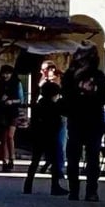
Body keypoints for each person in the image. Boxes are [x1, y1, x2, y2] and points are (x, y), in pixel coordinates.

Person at [63, 45, 105, 201]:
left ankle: (90, 191)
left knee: (92, 158)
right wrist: (82, 93)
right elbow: (66, 97)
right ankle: (75, 190)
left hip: (93, 120)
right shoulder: (70, 76)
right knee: (75, 157)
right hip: (77, 119)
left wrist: (90, 94)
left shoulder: (98, 76)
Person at [24, 61, 68, 195]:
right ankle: (55, 187)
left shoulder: (38, 106)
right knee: (54, 162)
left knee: (35, 161)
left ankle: (28, 185)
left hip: (38, 136)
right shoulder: (55, 107)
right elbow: (57, 122)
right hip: (50, 137)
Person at [0, 64, 24, 172]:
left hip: (12, 112)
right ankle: (4, 160)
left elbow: (21, 99)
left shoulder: (16, 84)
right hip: (2, 112)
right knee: (3, 138)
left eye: (8, 73)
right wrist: (1, 100)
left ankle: (12, 158)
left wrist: (12, 101)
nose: (6, 76)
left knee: (10, 136)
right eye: (4, 73)